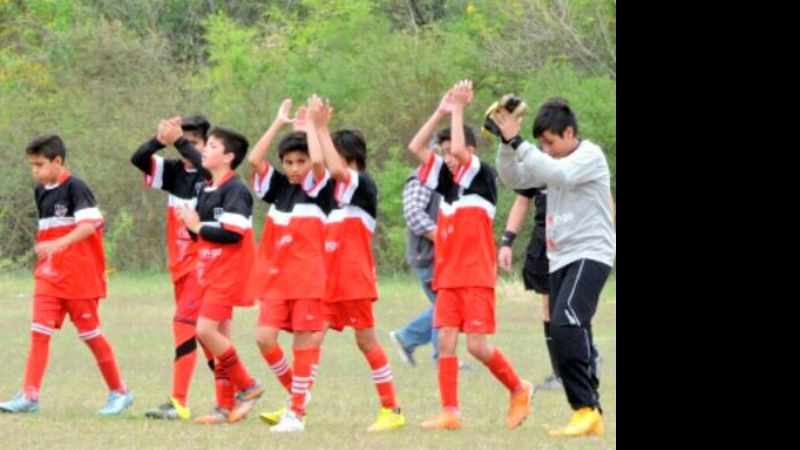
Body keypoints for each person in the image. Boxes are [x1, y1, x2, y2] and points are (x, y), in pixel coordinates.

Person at [408, 80, 532, 431]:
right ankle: (451, 413)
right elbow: (416, 145)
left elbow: (462, 151)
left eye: (452, 150)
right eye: (443, 151)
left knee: (477, 346)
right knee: (445, 342)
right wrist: (441, 110)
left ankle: (518, 387)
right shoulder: (446, 185)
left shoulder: (482, 175)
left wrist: (460, 108)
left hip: (476, 274)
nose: (447, 155)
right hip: (447, 276)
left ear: (471, 150)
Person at [494, 97, 615, 437]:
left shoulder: (589, 156)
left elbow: (558, 176)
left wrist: (520, 141)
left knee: (565, 324)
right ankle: (589, 411)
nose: (545, 149)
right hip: (559, 256)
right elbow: (513, 178)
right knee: (571, 331)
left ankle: (585, 409)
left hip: (590, 253)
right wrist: (506, 145)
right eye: (541, 143)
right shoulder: (549, 159)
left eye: (550, 141)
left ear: (570, 133)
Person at [0, 134, 133, 416]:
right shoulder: (41, 191)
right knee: (39, 332)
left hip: (80, 277)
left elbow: (90, 225)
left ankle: (120, 392)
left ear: (57, 161)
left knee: (90, 334)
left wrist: (56, 245)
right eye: (32, 165)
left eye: (40, 164)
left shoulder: (76, 187)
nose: (35, 170)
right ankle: (29, 395)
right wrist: (49, 250)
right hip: (49, 276)